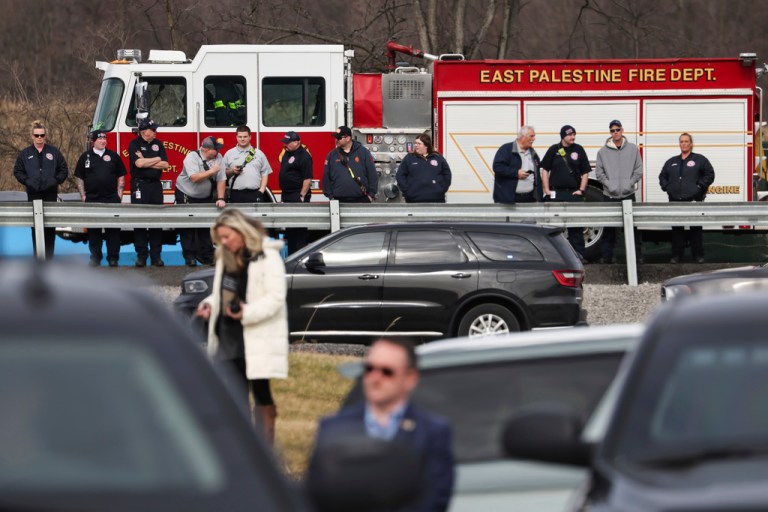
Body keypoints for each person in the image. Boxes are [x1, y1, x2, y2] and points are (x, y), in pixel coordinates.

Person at [310, 338, 454, 512]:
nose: (375, 378)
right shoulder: (332, 427)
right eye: (369, 369)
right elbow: (316, 495)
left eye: (387, 372)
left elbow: (434, 499)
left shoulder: (432, 432)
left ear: (410, 378)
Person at [195, 209, 288, 444]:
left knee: (260, 391)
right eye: (220, 239)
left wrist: (248, 313)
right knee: (234, 395)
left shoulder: (267, 256)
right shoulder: (225, 257)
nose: (223, 243)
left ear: (241, 231)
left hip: (255, 335)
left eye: (226, 237)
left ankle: (264, 446)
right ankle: (242, 445)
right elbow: (220, 294)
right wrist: (208, 305)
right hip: (227, 335)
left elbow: (276, 298)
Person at [13, 120, 69, 260]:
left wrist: (54, 181)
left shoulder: (54, 152)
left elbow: (63, 170)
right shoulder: (25, 153)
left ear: (45, 136)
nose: (39, 138)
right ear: (32, 136)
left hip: (50, 193)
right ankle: (38, 259)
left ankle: (49, 258)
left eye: (42, 135)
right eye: (36, 135)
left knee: (50, 227)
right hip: (33, 194)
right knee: (36, 227)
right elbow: (17, 171)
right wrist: (27, 181)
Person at [659, 133, 716, 263]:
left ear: (691, 144)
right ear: (679, 144)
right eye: (682, 141)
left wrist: (699, 186)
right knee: (677, 229)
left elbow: (710, 174)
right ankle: (676, 256)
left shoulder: (699, 159)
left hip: (694, 200)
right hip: (675, 200)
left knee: (695, 229)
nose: (684, 144)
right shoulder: (672, 161)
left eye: (686, 141)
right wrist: (667, 187)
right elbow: (662, 176)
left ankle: (698, 256)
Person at [74, 129, 126, 267]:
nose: (103, 141)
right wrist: (83, 196)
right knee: (94, 231)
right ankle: (95, 257)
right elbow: (79, 177)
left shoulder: (113, 156)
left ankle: (113, 258)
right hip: (92, 199)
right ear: (93, 141)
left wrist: (119, 195)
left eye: (105, 139)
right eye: (100, 139)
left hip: (111, 199)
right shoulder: (85, 157)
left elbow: (121, 175)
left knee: (113, 231)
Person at [595, 120, 644, 264]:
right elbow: (599, 173)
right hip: (610, 195)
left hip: (628, 195)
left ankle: (637, 257)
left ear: (622, 130)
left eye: (617, 130)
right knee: (608, 228)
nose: (615, 132)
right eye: (612, 130)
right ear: (610, 133)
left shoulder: (633, 149)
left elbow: (638, 170)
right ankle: (606, 257)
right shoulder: (602, 152)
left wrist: (629, 184)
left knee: (632, 228)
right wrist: (609, 185)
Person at [540, 125, 591, 259]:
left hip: (573, 194)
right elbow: (544, 169)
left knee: (576, 227)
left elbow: (585, 171)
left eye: (574, 134)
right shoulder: (554, 149)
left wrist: (581, 189)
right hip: (556, 194)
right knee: (553, 227)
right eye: (569, 135)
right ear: (563, 136)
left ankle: (578, 255)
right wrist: (546, 190)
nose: (573, 137)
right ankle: (553, 256)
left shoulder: (578, 149)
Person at [176, 136, 228, 266]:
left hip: (205, 195)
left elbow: (221, 179)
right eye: (215, 149)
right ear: (206, 149)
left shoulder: (218, 157)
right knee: (187, 226)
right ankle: (189, 256)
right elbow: (194, 178)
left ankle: (207, 256)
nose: (218, 152)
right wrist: (212, 171)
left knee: (205, 225)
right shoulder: (191, 157)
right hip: (186, 193)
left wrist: (221, 198)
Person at [129, 119, 170, 267]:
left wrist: (147, 160)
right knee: (140, 221)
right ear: (143, 131)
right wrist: (155, 159)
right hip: (139, 186)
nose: (155, 132)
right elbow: (138, 164)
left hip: (155, 187)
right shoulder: (134, 144)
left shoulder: (158, 144)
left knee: (156, 221)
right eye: (152, 130)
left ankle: (156, 256)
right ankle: (141, 256)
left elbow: (165, 164)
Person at [322, 125, 378, 203]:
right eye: (336, 138)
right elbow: (326, 176)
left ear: (348, 138)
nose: (336, 140)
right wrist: (330, 196)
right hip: (338, 200)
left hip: (361, 199)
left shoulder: (363, 152)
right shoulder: (332, 155)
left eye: (339, 138)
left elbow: (372, 174)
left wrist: (371, 195)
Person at [278, 131, 313, 254]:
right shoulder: (288, 153)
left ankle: (300, 257)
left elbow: (307, 179)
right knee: (290, 229)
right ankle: (292, 256)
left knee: (299, 230)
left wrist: (302, 195)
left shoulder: (304, 156)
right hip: (287, 195)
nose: (286, 145)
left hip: (297, 195)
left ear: (297, 142)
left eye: (288, 142)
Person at [492, 125, 542, 204]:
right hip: (509, 200)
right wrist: (516, 173)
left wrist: (539, 196)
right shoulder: (506, 149)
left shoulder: (533, 153)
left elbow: (537, 176)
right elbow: (497, 167)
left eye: (534, 136)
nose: (534, 139)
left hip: (529, 199)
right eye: (531, 136)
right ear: (523, 137)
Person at [396, 133, 452, 203]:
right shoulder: (409, 157)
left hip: (436, 200)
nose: (416, 145)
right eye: (415, 143)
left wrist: (441, 189)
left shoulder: (438, 157)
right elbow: (400, 175)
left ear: (426, 145)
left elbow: (447, 174)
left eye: (419, 143)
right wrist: (408, 191)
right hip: (413, 200)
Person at [222, 125, 272, 203]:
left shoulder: (259, 153)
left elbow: (265, 173)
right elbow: (222, 174)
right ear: (236, 137)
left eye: (245, 136)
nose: (242, 139)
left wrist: (261, 191)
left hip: (255, 193)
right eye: (240, 137)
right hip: (236, 194)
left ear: (250, 137)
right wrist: (232, 171)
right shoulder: (229, 154)